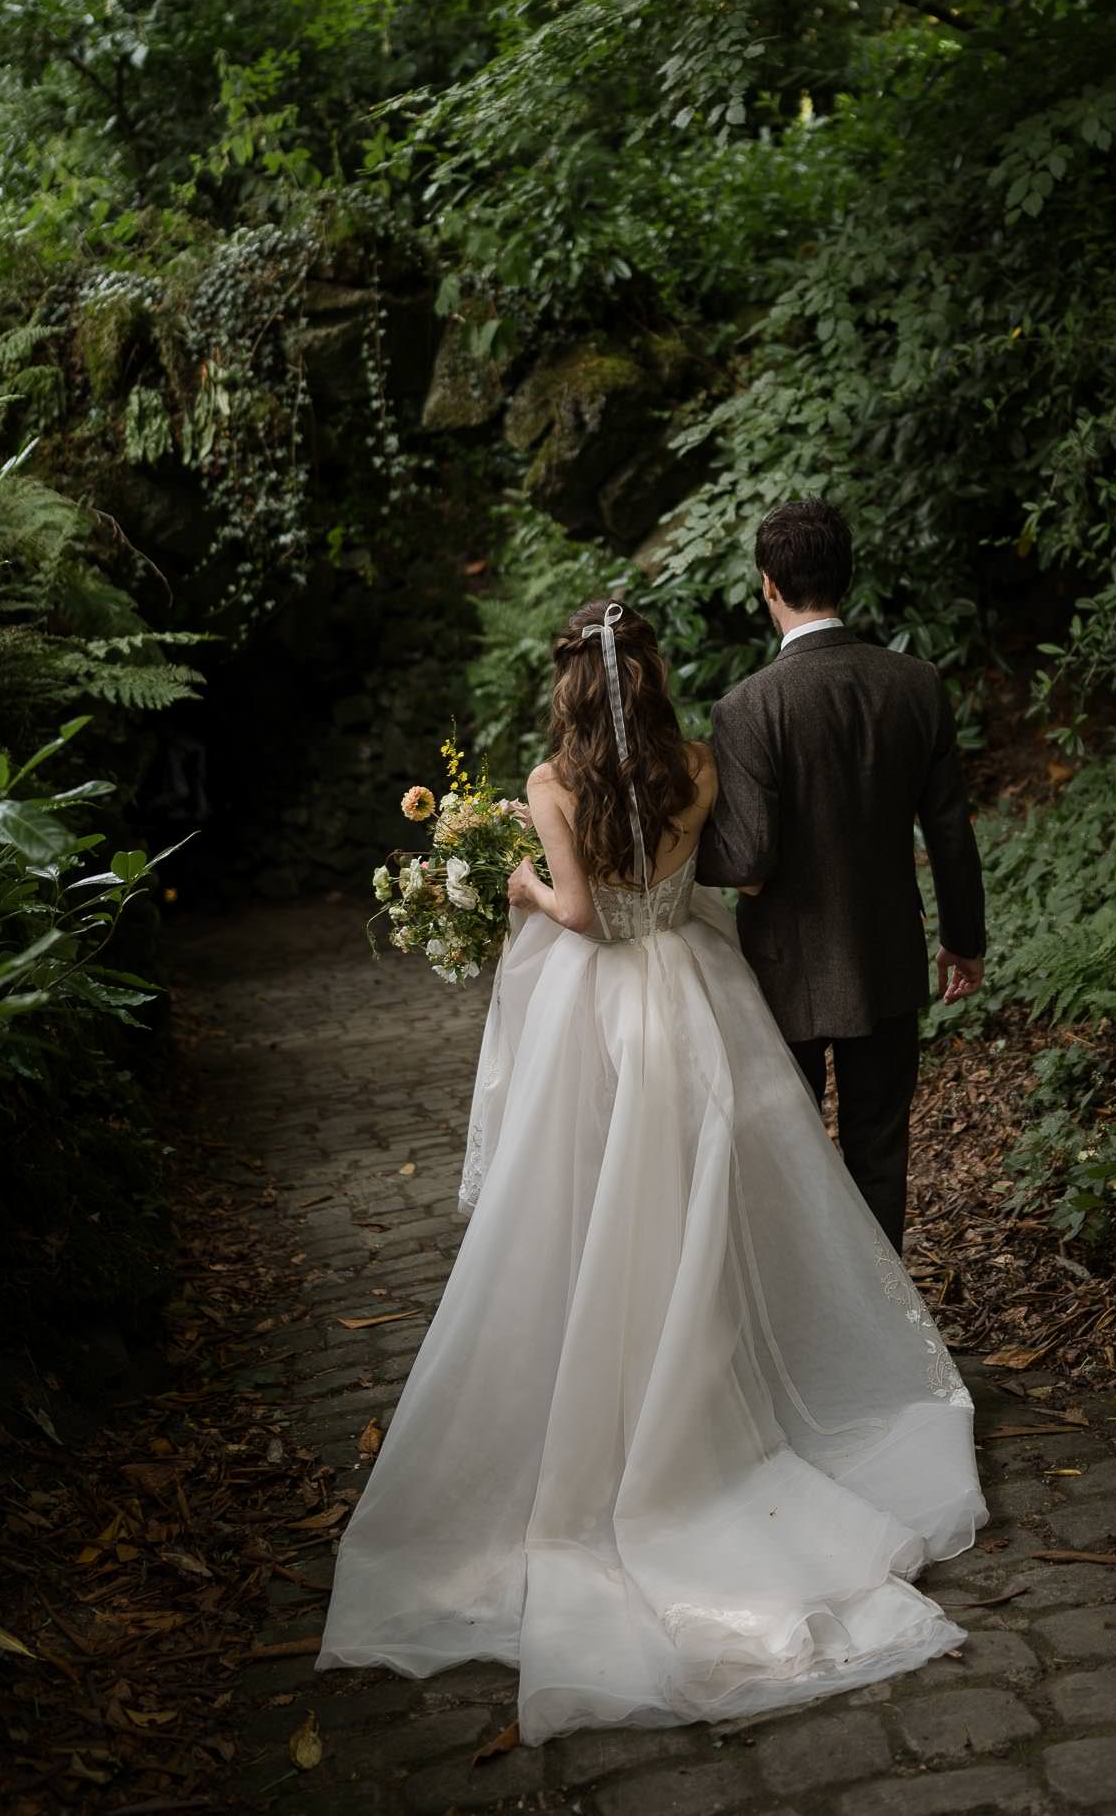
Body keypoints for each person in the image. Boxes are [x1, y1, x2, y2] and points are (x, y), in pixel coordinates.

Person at [317, 599, 985, 1745]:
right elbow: (721, 878)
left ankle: (619, 1395)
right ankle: (712, 1389)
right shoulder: (699, 764)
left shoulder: (548, 786)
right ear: (652, 679)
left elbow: (578, 912)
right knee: (699, 1205)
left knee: (586, 1208)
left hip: (603, 1013)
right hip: (694, 995)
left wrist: (518, 888)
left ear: (572, 687)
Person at [697, 499, 986, 1251]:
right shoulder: (916, 684)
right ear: (846, 577)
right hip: (888, 957)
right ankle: (885, 1321)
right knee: (880, 1153)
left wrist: (678, 854)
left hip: (785, 971)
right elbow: (949, 829)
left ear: (768, 585)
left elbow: (749, 855)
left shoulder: (746, 707)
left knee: (787, 1155)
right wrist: (965, 939)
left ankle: (810, 1324)